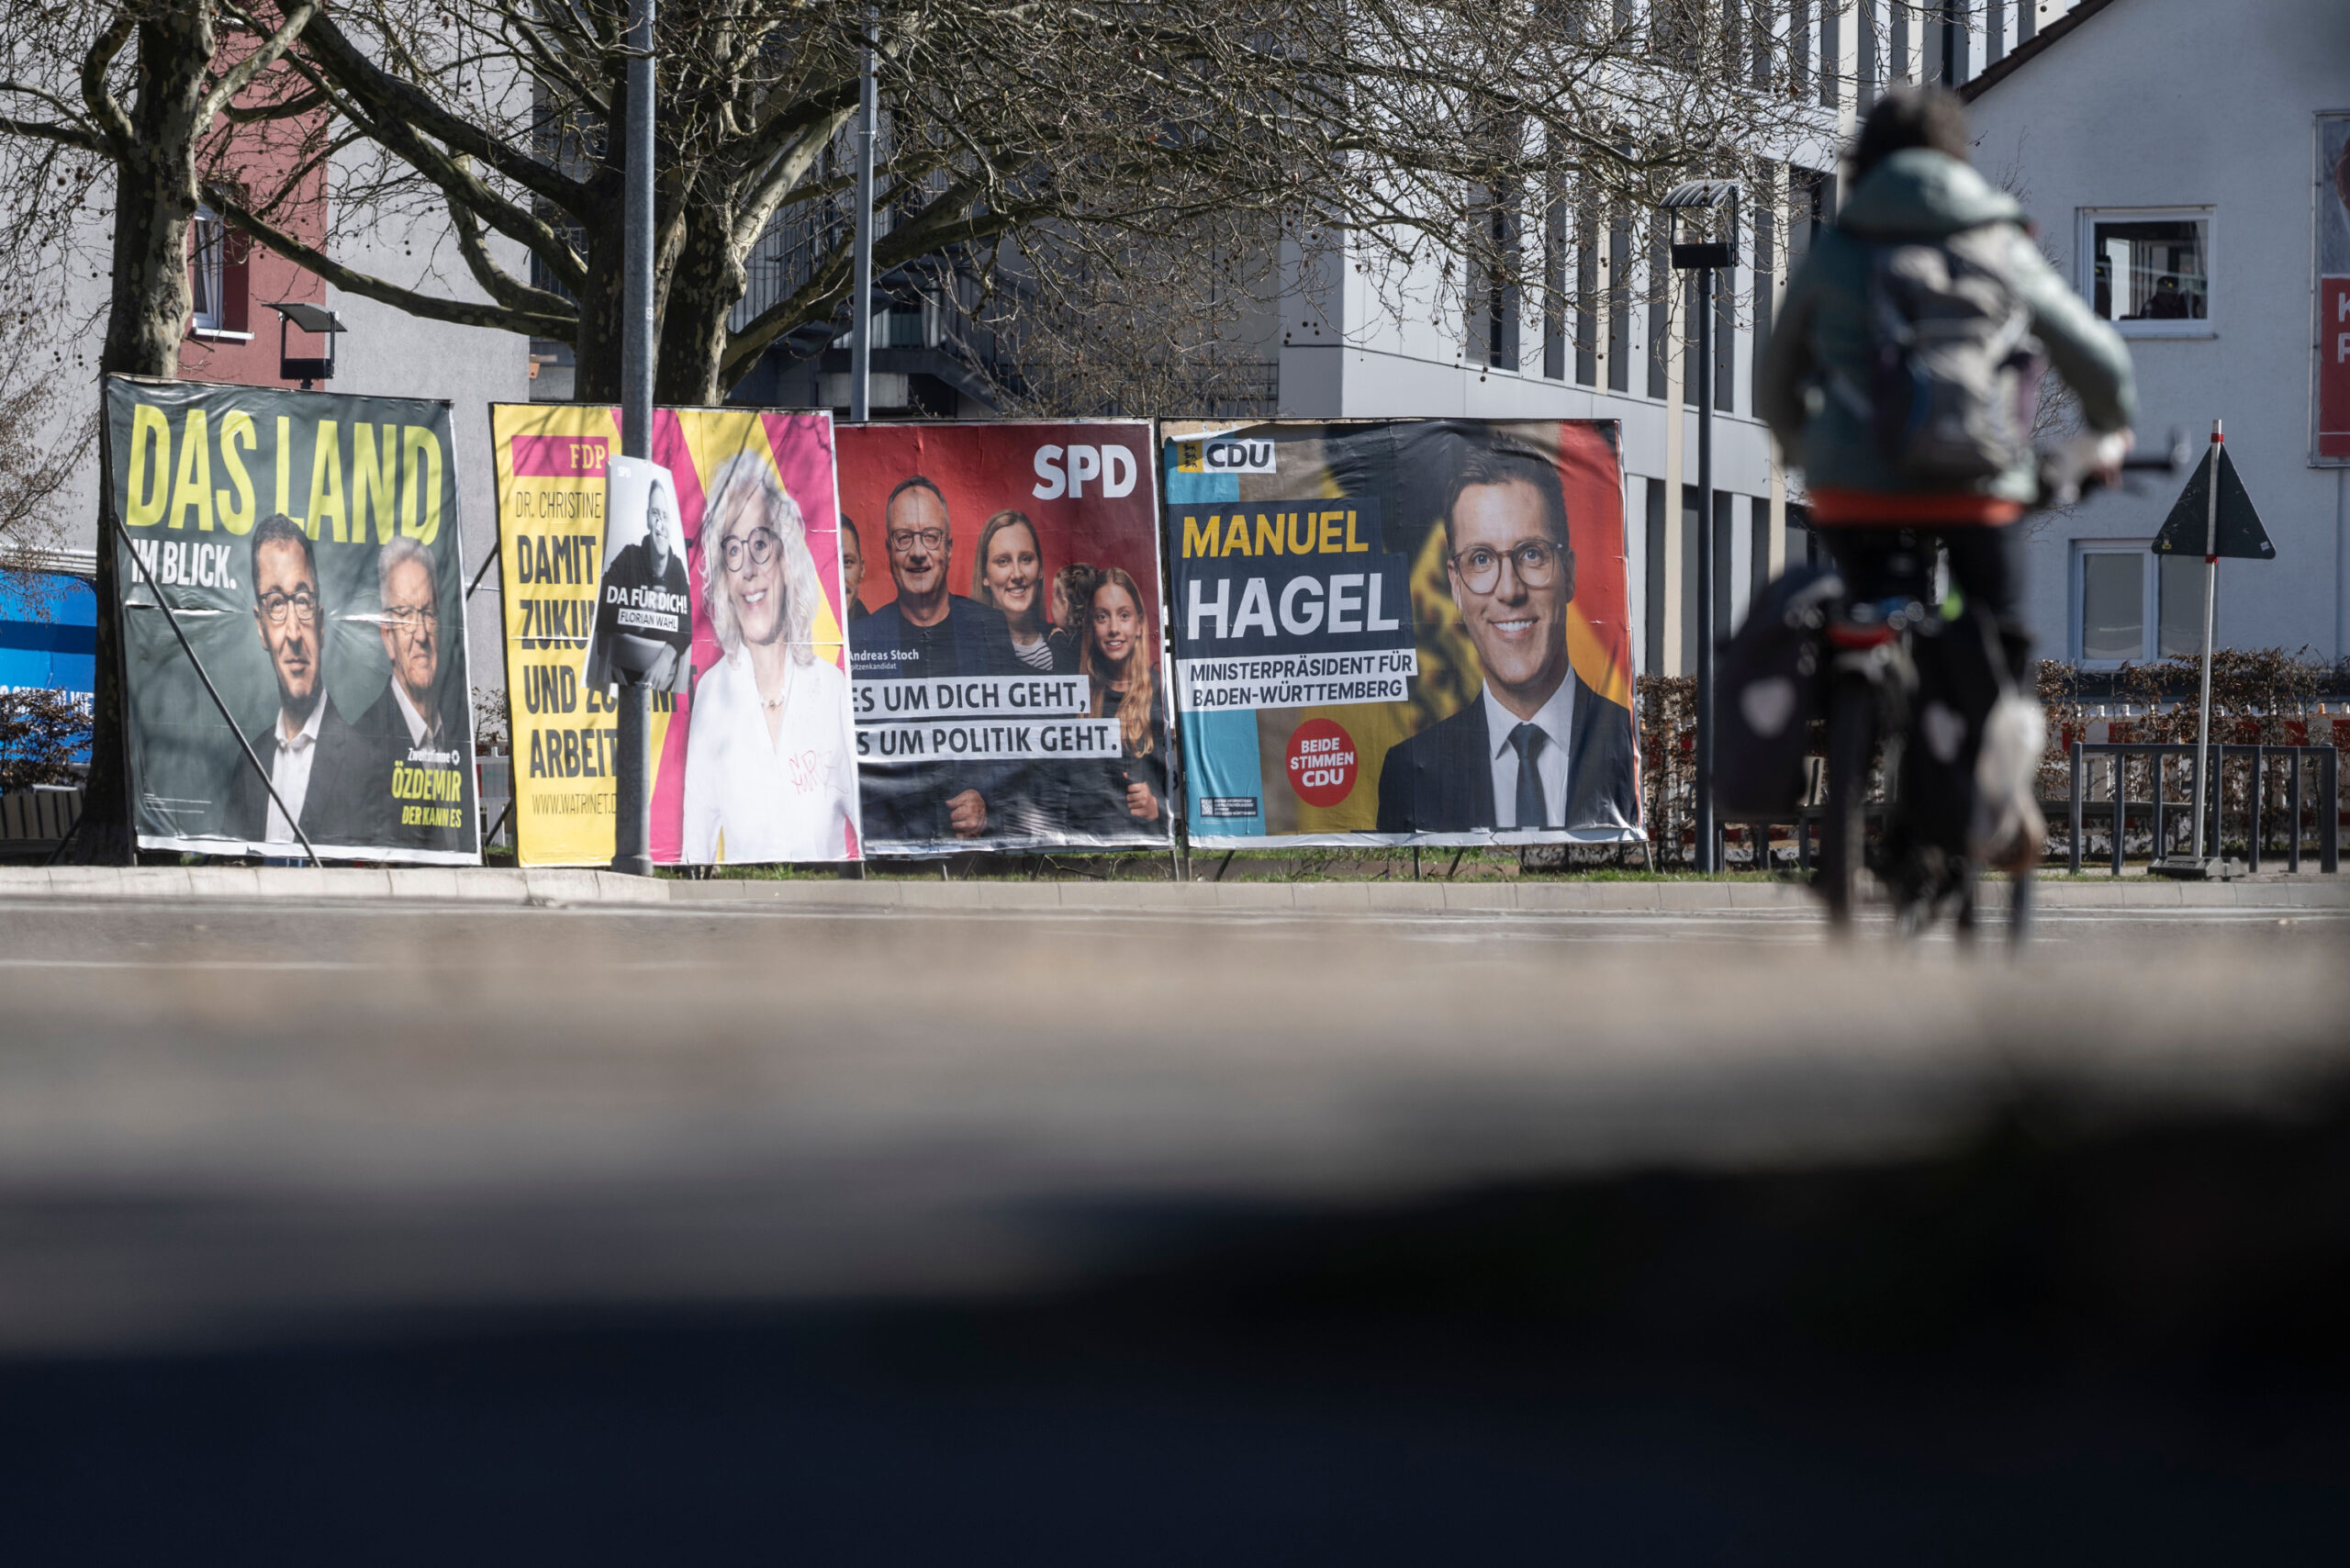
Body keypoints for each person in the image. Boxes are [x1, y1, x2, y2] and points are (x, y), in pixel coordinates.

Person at [1757, 85, 2135, 686]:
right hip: (1977, 488)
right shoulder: (2002, 246)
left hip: (1855, 493)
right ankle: (1994, 749)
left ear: (1866, 162)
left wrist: (1810, 454)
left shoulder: (1836, 252)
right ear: (1956, 158)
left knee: (1853, 613)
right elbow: (2100, 359)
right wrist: (2106, 435)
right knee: (1997, 633)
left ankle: (1851, 705)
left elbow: (1773, 381)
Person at [1374, 443, 1639, 835]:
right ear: (1455, 586)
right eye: (1481, 559)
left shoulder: (1630, 743)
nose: (1509, 590)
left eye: (1531, 554)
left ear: (1569, 573)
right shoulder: (1408, 770)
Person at [680, 455, 860, 863]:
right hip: (745, 916)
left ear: (785, 557)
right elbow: (696, 850)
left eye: (760, 544)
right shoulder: (713, 694)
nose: (748, 569)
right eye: (732, 549)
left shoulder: (832, 691)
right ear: (723, 577)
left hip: (824, 914)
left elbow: (870, 825)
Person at [848, 475, 1022, 841]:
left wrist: (985, 797)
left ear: (949, 548)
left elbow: (1019, 734)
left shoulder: (989, 628)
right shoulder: (861, 640)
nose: (917, 553)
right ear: (887, 549)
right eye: (904, 538)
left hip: (972, 851)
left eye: (930, 537)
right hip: (890, 844)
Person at [224, 513, 378, 848]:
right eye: (277, 603)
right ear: (261, 627)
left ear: (320, 623)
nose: (293, 632)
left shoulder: (366, 766)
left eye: (303, 601)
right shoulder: (248, 766)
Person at [354, 536, 473, 852]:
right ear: (387, 636)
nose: (421, 634)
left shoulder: (461, 735)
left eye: (428, 614)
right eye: (405, 615)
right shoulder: (360, 746)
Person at [1071, 567, 1168, 834]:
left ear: (1139, 625)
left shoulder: (1161, 693)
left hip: (1147, 850)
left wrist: (1158, 808)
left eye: (1124, 616)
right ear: (1091, 626)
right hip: (1087, 850)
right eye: (1103, 617)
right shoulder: (1077, 697)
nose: (1114, 629)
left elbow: (1189, 782)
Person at [584, 477, 692, 693]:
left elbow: (689, 625)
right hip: (614, 691)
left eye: (665, 516)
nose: (660, 525)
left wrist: (668, 654)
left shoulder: (679, 570)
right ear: (647, 520)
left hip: (661, 696)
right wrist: (639, 615)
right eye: (655, 514)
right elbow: (599, 608)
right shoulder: (628, 557)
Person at [973, 509, 1073, 674]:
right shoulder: (970, 651)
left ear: (1040, 568)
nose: (1017, 574)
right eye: (1003, 561)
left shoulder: (1065, 645)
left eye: (1026, 559)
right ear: (984, 575)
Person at [1047, 563, 1096, 673]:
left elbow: (1064, 678)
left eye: (1053, 597)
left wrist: (1057, 640)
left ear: (1065, 605)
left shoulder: (1072, 645)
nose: (1051, 604)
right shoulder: (1092, 636)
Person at [839, 515, 871, 622]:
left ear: (861, 570)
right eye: (825, 563)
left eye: (846, 562)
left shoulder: (879, 636)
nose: (837, 577)